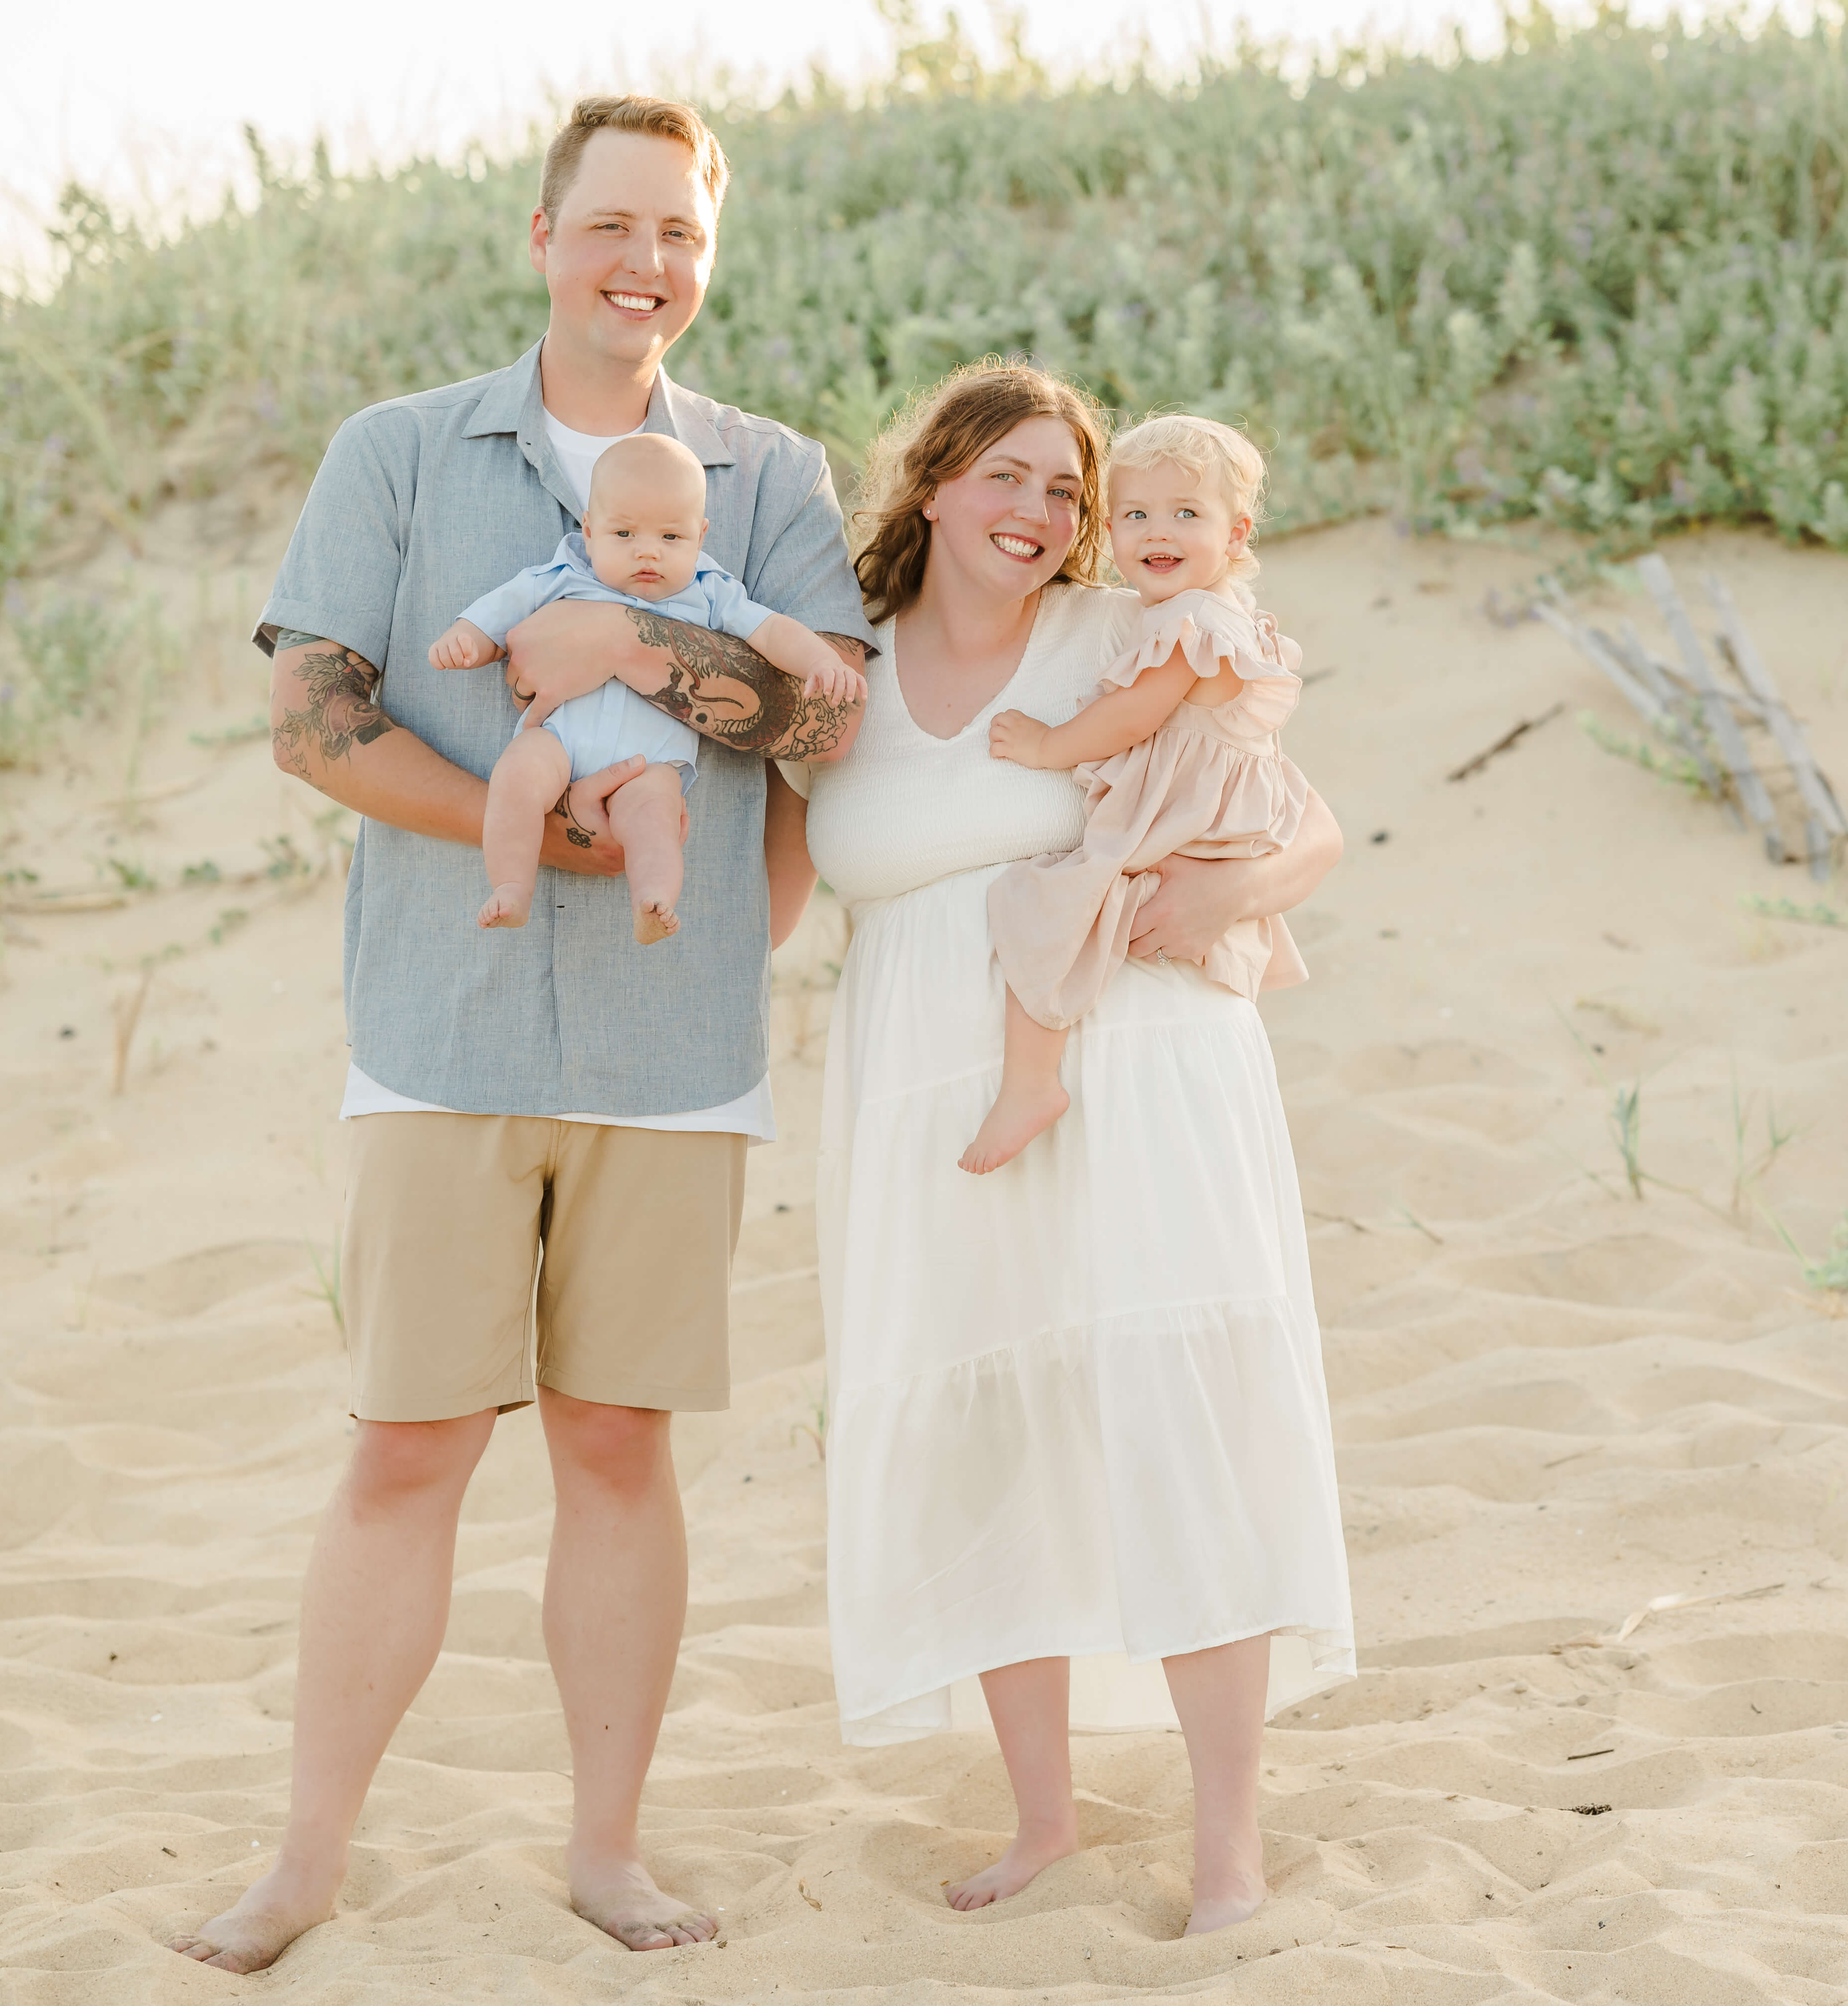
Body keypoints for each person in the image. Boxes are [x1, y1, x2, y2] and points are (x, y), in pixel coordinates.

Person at [170, 94, 875, 1975]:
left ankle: (606, 1848)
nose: (647, 264)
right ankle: (306, 1864)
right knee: (403, 1450)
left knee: (617, 1444)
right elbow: (315, 721)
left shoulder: (772, 476)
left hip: (673, 1048)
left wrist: (635, 659)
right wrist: (546, 829)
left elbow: (826, 729)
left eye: (682, 236)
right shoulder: (398, 455)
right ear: (544, 234)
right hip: (438, 1028)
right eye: (613, 225)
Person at [793, 361, 1355, 1939]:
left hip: (1139, 1067)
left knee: (1183, 1411)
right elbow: (773, 878)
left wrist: (1221, 897)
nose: (1042, 515)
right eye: (1009, 479)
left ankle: (1228, 1844)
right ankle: (1043, 1816)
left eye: (1067, 489)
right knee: (990, 1422)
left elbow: (1301, 824)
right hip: (919, 1085)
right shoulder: (845, 674)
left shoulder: (1123, 631)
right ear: (932, 483)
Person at [960, 414, 1309, 1174]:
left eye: (1188, 514)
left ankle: (1031, 1084)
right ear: (1111, 526)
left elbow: (1133, 715)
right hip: (1212, 815)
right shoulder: (1216, 616)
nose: (1161, 531)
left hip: (1181, 819)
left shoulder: (1190, 622)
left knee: (1045, 900)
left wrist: (1048, 745)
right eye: (1138, 515)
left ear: (1238, 533)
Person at [436, 431, 865, 941]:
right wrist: (469, 639)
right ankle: (511, 885)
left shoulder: (709, 590)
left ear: (699, 537)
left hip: (650, 760)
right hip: (558, 739)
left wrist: (818, 658)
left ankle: (653, 897)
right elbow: (503, 610)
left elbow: (770, 630)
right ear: (590, 531)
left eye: (670, 538)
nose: (648, 554)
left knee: (655, 817)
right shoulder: (563, 574)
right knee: (516, 779)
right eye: (624, 535)